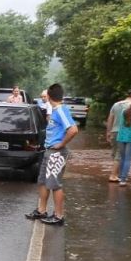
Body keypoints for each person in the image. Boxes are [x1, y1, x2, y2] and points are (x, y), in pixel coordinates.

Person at [25, 83, 79, 226]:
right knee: (43, 181)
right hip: (49, 150)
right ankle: (41, 210)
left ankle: (58, 216)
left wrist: (61, 144)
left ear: (48, 96)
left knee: (55, 185)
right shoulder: (55, 110)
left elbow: (73, 130)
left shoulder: (60, 110)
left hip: (56, 153)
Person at [105, 88, 131, 182]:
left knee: (115, 154)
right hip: (126, 133)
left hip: (114, 131)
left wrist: (108, 132)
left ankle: (117, 174)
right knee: (120, 155)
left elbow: (110, 119)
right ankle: (113, 175)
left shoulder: (116, 104)